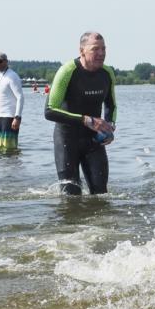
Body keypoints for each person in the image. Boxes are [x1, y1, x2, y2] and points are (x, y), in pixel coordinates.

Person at [44, 32, 117, 194]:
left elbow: (111, 105)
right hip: (67, 140)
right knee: (71, 195)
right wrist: (86, 120)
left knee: (101, 194)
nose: (101, 53)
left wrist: (109, 127)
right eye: (95, 49)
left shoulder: (107, 73)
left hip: (93, 141)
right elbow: (49, 111)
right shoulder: (67, 71)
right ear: (82, 50)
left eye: (104, 49)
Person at [0, 52, 24, 153]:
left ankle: (13, 168)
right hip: (0, 117)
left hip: (10, 118)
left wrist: (17, 117)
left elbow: (20, 97)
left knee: (10, 150)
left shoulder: (12, 76)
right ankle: (1, 169)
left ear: (6, 62)